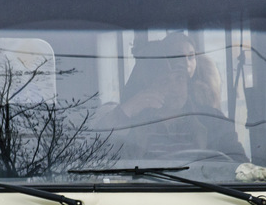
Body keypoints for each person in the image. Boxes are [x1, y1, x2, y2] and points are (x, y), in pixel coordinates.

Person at [98, 32, 243, 159]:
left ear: (188, 83)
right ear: (151, 86)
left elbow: (239, 166)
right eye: (165, 80)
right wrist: (126, 111)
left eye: (179, 78)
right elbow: (98, 152)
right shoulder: (134, 125)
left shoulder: (213, 121)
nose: (174, 88)